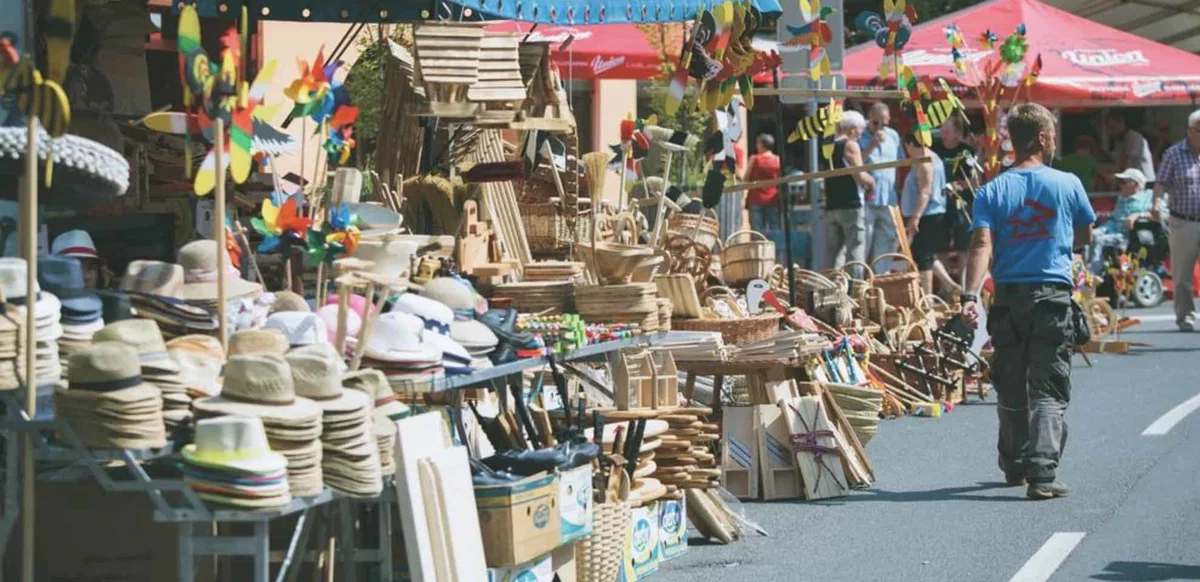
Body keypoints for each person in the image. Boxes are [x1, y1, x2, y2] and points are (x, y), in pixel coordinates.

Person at [961, 103, 1095, 500]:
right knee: (1049, 387)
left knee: (1011, 385)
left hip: (1007, 300)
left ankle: (1015, 464)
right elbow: (1083, 235)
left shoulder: (991, 190)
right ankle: (1042, 474)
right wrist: (1054, 245)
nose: (1054, 140)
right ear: (1040, 138)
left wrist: (969, 296)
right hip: (1052, 298)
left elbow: (981, 244)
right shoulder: (1067, 183)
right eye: (1052, 133)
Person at [1152, 109, 1200, 331]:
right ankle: (1186, 317)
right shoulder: (1174, 153)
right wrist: (1156, 203)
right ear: (1190, 131)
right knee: (1182, 275)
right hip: (1183, 221)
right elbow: (1161, 182)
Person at [822, 110, 873, 270]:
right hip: (850, 203)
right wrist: (871, 181)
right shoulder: (850, 145)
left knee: (834, 252)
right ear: (851, 129)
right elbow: (859, 174)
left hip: (832, 203)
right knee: (855, 249)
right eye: (859, 130)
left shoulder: (828, 145)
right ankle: (856, 288)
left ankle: (831, 286)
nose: (860, 134)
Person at [900, 131, 948, 294]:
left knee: (923, 258)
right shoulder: (931, 159)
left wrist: (915, 218)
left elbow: (925, 192)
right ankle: (950, 285)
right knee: (925, 253)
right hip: (930, 212)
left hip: (927, 213)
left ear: (911, 144)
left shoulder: (925, 163)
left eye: (906, 146)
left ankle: (927, 296)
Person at [859, 102, 903, 270]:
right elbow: (856, 163)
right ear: (869, 119)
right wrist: (872, 145)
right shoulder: (860, 136)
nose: (879, 127)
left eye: (883, 123)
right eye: (875, 122)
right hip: (867, 199)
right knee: (863, 244)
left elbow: (898, 165)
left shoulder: (893, 136)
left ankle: (880, 281)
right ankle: (857, 282)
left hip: (888, 199)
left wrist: (897, 190)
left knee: (885, 244)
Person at [1087, 168, 1154, 275]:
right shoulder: (1121, 199)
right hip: (1111, 229)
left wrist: (1137, 215)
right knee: (1091, 234)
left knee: (1099, 239)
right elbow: (1113, 219)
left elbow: (1158, 215)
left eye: (1123, 182)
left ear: (1135, 184)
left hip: (1127, 234)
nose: (1120, 185)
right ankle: (1090, 267)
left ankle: (1094, 272)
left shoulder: (1147, 198)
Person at [744, 134, 783, 232]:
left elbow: (746, 178)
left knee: (757, 231)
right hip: (773, 198)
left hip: (756, 198)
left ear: (761, 145)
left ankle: (758, 248)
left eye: (758, 143)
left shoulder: (754, 159)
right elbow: (780, 179)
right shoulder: (777, 160)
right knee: (774, 228)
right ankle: (776, 247)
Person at [1105, 111, 1155, 184]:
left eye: (1112, 127)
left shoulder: (1134, 137)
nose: (1110, 131)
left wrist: (1117, 179)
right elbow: (1119, 163)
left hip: (1144, 181)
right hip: (1132, 180)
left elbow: (1128, 162)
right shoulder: (1119, 141)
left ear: (1121, 123)